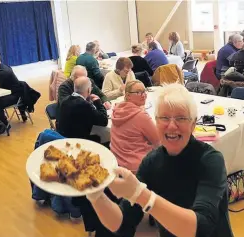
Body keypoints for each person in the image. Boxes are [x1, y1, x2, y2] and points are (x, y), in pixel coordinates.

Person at [86, 83, 234, 237]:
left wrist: (140, 195)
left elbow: (201, 228)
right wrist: (95, 194)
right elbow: (122, 224)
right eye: (164, 118)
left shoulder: (210, 160)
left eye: (181, 118)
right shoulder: (151, 162)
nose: (171, 126)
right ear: (155, 121)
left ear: (193, 124)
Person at [110, 80, 160, 173]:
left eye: (144, 91)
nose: (143, 95)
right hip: (137, 167)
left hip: (116, 160)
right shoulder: (141, 116)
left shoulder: (117, 109)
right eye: (138, 92)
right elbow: (158, 142)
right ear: (128, 95)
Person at [57, 76, 108, 142]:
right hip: (81, 141)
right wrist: (98, 102)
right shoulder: (84, 105)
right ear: (89, 90)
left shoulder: (65, 101)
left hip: (64, 137)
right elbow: (104, 121)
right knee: (107, 134)